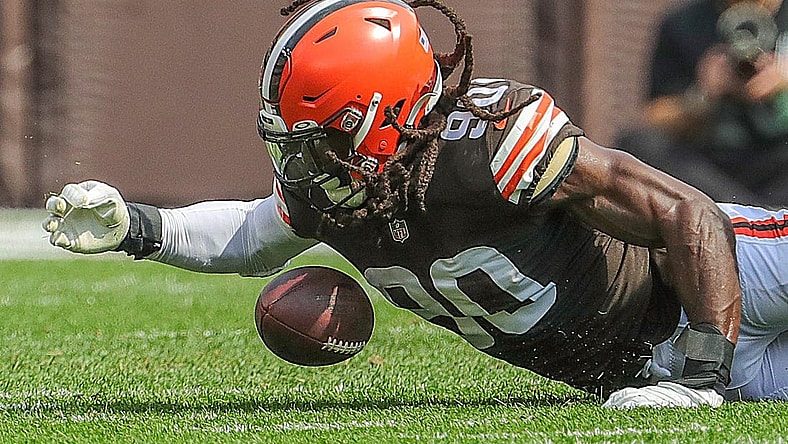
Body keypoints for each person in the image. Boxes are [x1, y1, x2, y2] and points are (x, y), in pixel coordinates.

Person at [43, 0, 788, 407]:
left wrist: (701, 376)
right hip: (646, 365)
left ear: (390, 110)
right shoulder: (343, 189)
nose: (305, 159)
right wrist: (138, 227)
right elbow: (253, 235)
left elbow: (688, 215)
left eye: (327, 134)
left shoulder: (491, 145)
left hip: (730, 279)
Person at [619, 0, 788, 206]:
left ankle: (742, 216)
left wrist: (782, 81)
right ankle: (754, 217)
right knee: (637, 146)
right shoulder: (683, 22)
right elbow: (654, 119)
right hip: (708, 165)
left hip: (778, 160)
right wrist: (704, 93)